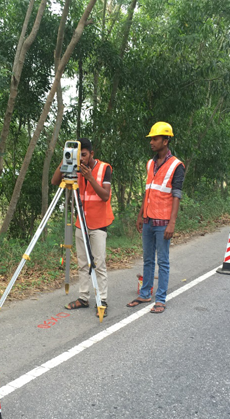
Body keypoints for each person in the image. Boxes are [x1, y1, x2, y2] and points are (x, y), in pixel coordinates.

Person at [51, 138, 114, 316]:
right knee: (82, 264)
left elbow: (105, 195)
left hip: (99, 224)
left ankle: (102, 300)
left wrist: (90, 178)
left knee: (99, 263)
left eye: (84, 155)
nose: (82, 160)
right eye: (79, 156)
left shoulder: (104, 168)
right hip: (81, 223)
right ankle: (83, 298)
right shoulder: (75, 167)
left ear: (91, 154)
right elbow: (55, 181)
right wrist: (66, 160)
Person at [127, 122, 185, 313]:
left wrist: (172, 222)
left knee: (163, 261)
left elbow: (176, 194)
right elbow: (148, 191)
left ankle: (160, 299)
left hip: (163, 223)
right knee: (148, 260)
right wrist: (140, 214)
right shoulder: (150, 163)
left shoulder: (176, 165)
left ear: (166, 140)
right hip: (148, 220)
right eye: (151, 139)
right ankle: (145, 294)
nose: (152, 142)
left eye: (155, 138)